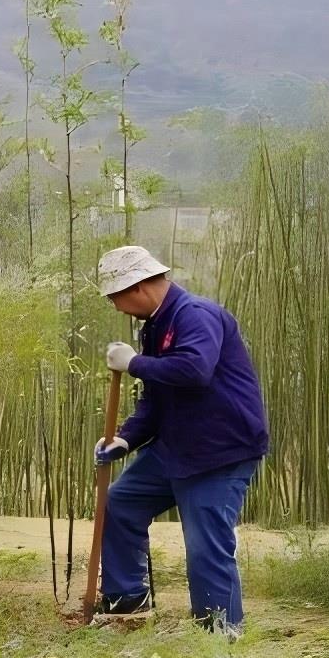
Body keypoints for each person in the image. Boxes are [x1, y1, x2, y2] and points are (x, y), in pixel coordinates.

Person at [93, 245, 269, 637]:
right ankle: (127, 600)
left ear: (137, 287)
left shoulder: (195, 315)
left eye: (115, 298)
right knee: (120, 503)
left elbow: (194, 370)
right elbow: (156, 398)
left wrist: (134, 363)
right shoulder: (154, 326)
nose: (116, 308)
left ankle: (219, 634)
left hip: (221, 451)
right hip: (177, 447)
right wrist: (124, 439)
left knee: (205, 544)